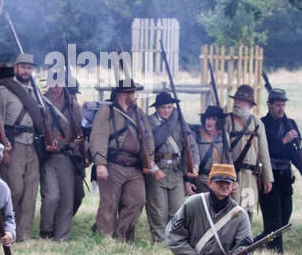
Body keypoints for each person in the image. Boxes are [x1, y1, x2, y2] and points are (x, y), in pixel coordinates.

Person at [165, 162, 261, 255]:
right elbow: (172, 232)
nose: (224, 186)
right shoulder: (193, 203)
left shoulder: (240, 215)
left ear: (234, 185)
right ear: (210, 183)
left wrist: (238, 254)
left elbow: (245, 242)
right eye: (219, 182)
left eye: (228, 182)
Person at [89, 79, 157, 240]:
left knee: (137, 201)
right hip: (113, 164)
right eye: (130, 92)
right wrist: (100, 164)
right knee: (109, 204)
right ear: (121, 94)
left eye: (133, 92)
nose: (133, 95)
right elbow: (98, 137)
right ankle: (104, 237)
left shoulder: (139, 114)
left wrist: (150, 159)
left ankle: (121, 236)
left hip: (135, 166)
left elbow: (148, 139)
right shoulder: (107, 112)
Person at [0, 53, 44, 242]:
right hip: (13, 145)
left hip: (33, 144)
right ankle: (6, 230)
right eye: (23, 67)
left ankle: (25, 234)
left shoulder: (34, 91)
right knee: (14, 189)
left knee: (31, 191)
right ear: (16, 68)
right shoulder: (4, 90)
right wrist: (3, 148)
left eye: (29, 68)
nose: (26, 71)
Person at [259, 88, 302, 251]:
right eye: (277, 105)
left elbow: (295, 151)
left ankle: (258, 244)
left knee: (284, 217)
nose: (281, 108)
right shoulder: (262, 124)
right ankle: (276, 252)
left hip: (285, 176)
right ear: (269, 105)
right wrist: (284, 140)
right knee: (273, 218)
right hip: (269, 175)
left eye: (283, 105)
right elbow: (263, 150)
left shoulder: (290, 123)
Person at [143, 91, 197, 244]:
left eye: (169, 107)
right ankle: (159, 241)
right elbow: (145, 149)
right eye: (163, 108)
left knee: (177, 209)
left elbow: (191, 146)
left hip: (176, 170)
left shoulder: (179, 122)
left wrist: (194, 166)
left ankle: (174, 241)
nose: (166, 111)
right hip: (157, 168)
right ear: (157, 108)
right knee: (157, 210)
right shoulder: (149, 122)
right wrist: (153, 169)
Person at [39, 79, 84, 241]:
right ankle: (46, 232)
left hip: (67, 155)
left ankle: (61, 237)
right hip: (48, 156)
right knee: (51, 196)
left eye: (59, 82)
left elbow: (81, 131)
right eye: (53, 82)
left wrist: (76, 144)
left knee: (67, 199)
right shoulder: (40, 102)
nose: (56, 86)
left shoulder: (73, 106)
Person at [227, 84, 272, 217]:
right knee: (231, 213)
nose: (237, 103)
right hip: (233, 176)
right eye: (236, 100)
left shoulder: (257, 123)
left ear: (250, 105)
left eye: (241, 101)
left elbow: (264, 153)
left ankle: (246, 238)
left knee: (247, 214)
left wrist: (267, 178)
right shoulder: (228, 121)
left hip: (251, 178)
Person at [194, 105, 228, 186]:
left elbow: (226, 158)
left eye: (214, 119)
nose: (210, 122)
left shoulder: (224, 135)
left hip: (218, 179)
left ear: (219, 121)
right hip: (201, 179)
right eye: (208, 119)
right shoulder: (197, 134)